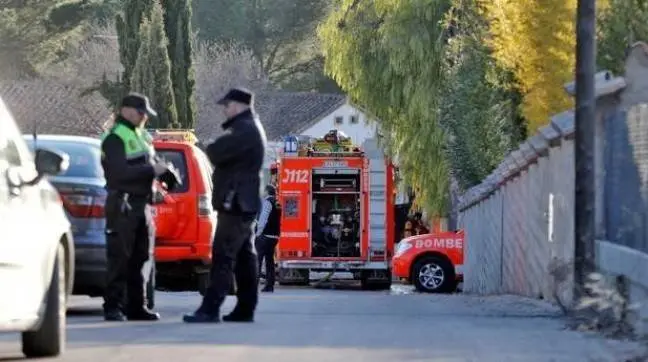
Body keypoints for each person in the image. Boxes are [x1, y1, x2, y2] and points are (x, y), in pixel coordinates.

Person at [183, 87, 266, 323]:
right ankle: (245, 307)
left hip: (236, 202)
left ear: (238, 106)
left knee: (223, 255)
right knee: (243, 257)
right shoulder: (249, 128)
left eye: (227, 106)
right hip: (243, 201)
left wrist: (210, 145)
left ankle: (210, 308)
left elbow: (217, 152)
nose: (225, 111)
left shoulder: (244, 130)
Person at [101, 93, 170, 322]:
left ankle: (136, 306)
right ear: (126, 111)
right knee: (120, 256)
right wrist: (152, 171)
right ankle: (113, 306)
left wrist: (165, 175)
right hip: (123, 202)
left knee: (141, 257)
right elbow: (119, 174)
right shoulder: (114, 138)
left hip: (142, 204)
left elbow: (147, 166)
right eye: (141, 113)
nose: (144, 118)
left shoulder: (140, 136)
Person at [255, 184, 281, 292]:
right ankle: (270, 285)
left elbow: (263, 219)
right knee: (270, 261)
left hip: (264, 236)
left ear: (266, 191)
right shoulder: (277, 203)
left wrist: (258, 233)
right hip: (274, 236)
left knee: (258, 261)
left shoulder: (267, 202)